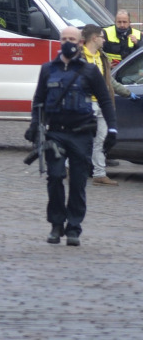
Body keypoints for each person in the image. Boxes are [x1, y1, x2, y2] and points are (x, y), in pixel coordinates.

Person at [24, 25, 117, 246]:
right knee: (55, 176)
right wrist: (35, 126)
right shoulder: (48, 69)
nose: (68, 42)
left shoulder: (89, 71)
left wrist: (112, 128)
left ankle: (74, 227)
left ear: (80, 42)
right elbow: (38, 100)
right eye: (64, 38)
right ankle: (56, 224)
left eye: (72, 39)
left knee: (77, 183)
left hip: (81, 134)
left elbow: (104, 99)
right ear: (59, 41)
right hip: (55, 133)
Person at [82, 24, 137, 186]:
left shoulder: (102, 57)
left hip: (102, 105)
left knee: (102, 139)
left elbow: (109, 81)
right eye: (101, 37)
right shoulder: (79, 57)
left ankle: (99, 174)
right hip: (84, 106)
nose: (104, 40)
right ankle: (70, 166)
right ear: (94, 38)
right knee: (81, 140)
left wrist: (126, 93)